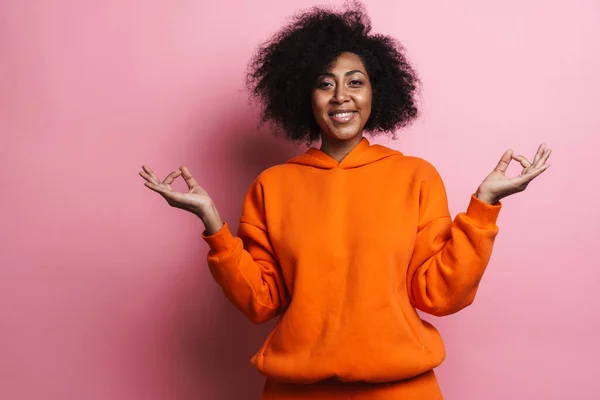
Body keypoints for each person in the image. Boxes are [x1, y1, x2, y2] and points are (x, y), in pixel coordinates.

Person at [139, 2, 551, 399]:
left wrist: (483, 206)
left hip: (403, 390)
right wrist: (213, 224)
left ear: (377, 92)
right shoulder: (272, 186)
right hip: (296, 392)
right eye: (325, 83)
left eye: (355, 81)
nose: (341, 95)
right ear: (305, 95)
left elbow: (440, 294)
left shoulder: (415, 176)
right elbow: (262, 302)